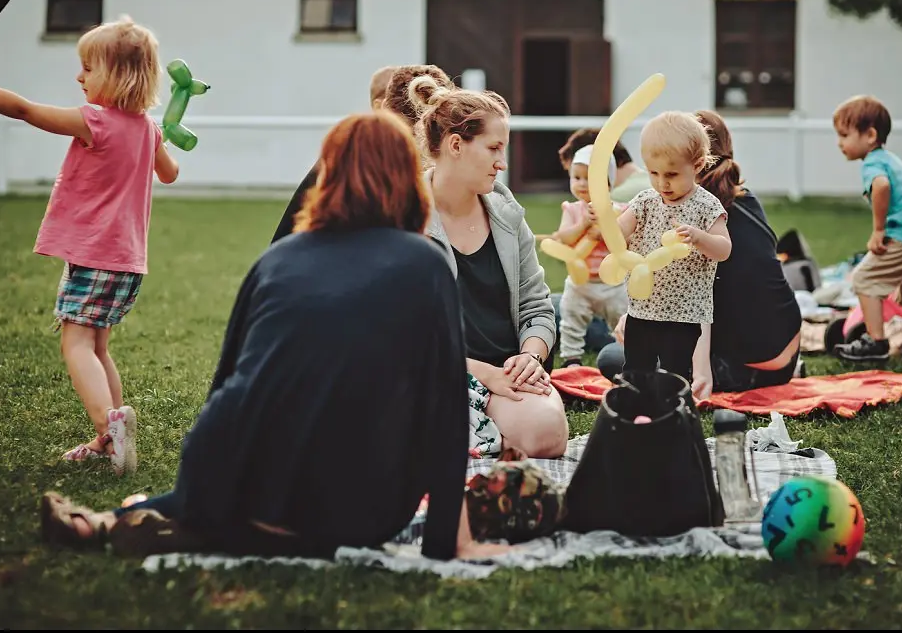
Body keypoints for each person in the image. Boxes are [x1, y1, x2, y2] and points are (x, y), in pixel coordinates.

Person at [39, 110, 509, 561]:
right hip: (359, 509)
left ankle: (118, 522)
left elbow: (224, 388)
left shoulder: (276, 260)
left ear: (326, 176)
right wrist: (448, 541)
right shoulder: (423, 262)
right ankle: (237, 530)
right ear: (408, 177)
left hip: (229, 479)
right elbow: (445, 408)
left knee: (241, 482)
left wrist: (200, 488)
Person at [0, 15, 180, 475]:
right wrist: (153, 142)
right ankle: (111, 436)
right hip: (128, 262)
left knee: (77, 344)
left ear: (118, 75)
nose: (79, 77)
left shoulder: (95, 121)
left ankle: (110, 430)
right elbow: (170, 173)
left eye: (88, 67)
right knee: (99, 346)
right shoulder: (147, 129)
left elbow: (25, 110)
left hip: (95, 256)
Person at [408, 75, 568, 459]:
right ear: (456, 145)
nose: (503, 162)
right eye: (494, 148)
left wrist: (530, 357)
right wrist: (484, 374)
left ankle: (476, 436)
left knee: (546, 436)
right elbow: (399, 335)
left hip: (509, 375)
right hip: (437, 374)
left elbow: (537, 306)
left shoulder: (507, 215)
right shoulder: (404, 218)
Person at [598, 110, 803, 394]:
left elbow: (697, 295)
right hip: (787, 353)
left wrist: (703, 369)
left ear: (696, 161)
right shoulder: (745, 199)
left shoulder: (699, 215)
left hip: (742, 366)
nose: (660, 182)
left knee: (612, 356)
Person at [608, 111, 731, 397]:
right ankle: (633, 414)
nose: (662, 183)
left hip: (684, 313)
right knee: (635, 369)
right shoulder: (644, 201)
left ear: (697, 165)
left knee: (675, 372)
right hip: (643, 308)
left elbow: (724, 250)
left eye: (671, 174)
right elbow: (617, 234)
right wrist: (604, 218)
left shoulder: (706, 206)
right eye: (654, 173)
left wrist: (700, 238)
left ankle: (674, 417)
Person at [267, 64, 451, 244]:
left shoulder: (454, 176)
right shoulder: (347, 160)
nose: (406, 151)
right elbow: (290, 240)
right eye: (400, 138)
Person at [832, 95, 902, 362]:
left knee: (864, 280)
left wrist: (879, 230)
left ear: (870, 135)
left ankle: (876, 341)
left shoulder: (874, 163)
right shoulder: (888, 158)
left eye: (845, 135)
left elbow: (881, 186)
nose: (840, 143)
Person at [548, 145, 629, 367]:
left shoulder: (620, 210)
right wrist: (584, 224)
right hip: (580, 282)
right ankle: (571, 357)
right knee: (571, 317)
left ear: (608, 183)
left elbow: (625, 242)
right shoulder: (573, 210)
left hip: (613, 283)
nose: (582, 183)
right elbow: (565, 237)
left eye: (588, 178)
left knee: (621, 318)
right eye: (576, 177)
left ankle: (622, 354)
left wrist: (603, 233)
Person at [557, 127, 652, 203]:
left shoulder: (615, 199)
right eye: (577, 177)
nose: (581, 184)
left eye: (587, 176)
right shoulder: (649, 180)